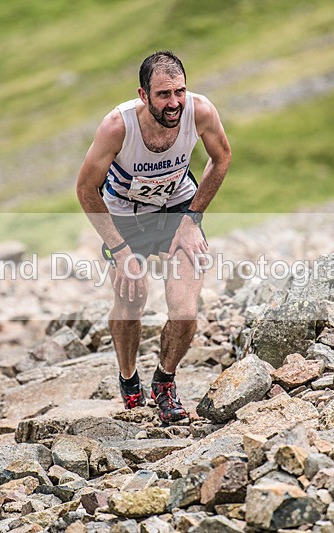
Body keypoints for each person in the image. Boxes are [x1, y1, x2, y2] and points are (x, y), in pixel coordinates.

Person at [76, 50, 231, 425]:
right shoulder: (118, 126)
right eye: (163, 94)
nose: (174, 102)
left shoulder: (201, 112)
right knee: (133, 297)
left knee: (185, 309)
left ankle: (164, 381)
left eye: (179, 91)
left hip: (177, 211)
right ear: (143, 95)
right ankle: (129, 377)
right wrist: (120, 249)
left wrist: (192, 218)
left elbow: (221, 158)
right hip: (125, 217)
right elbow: (85, 189)